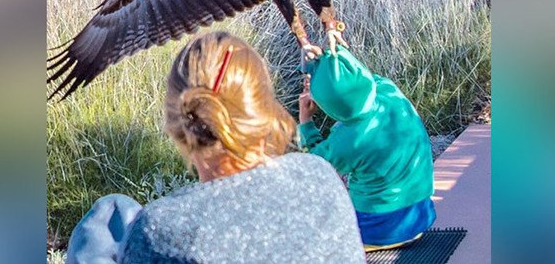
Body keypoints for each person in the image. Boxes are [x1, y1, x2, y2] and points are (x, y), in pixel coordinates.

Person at [65, 32, 365, 264]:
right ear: (265, 110)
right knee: (117, 212)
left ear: (176, 125)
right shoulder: (320, 178)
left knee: (108, 218)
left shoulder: (162, 230)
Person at [298, 46, 436, 252]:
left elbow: (314, 167)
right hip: (420, 217)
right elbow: (355, 78)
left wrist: (305, 121)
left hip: (378, 230)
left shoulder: (348, 140)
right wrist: (322, 65)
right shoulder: (388, 89)